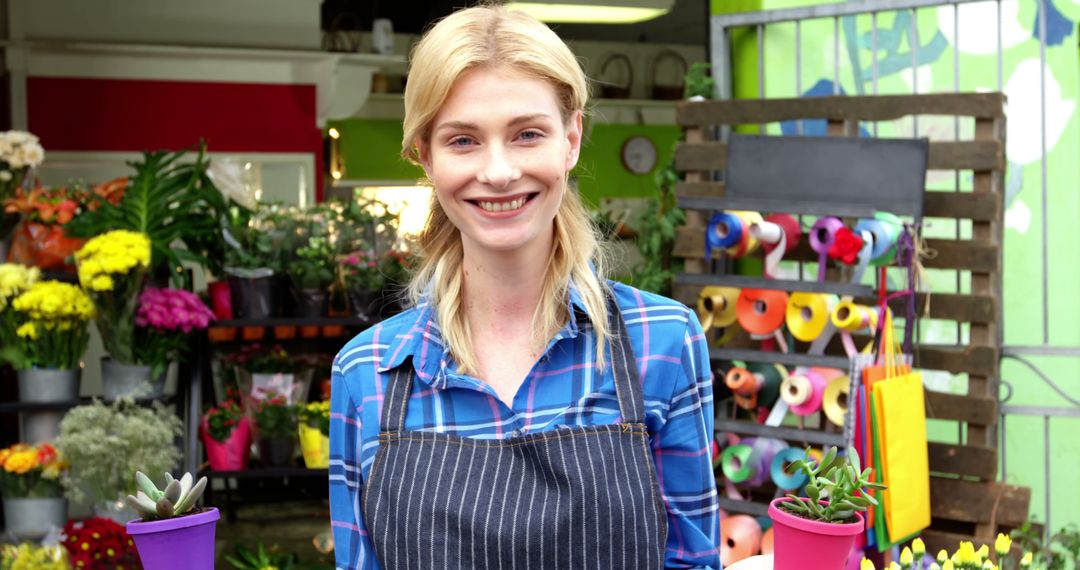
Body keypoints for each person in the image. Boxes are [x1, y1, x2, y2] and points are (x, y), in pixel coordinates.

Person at [329, 5, 720, 569]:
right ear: (425, 157)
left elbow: (692, 562)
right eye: (462, 140)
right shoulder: (368, 372)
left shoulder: (662, 343)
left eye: (527, 134)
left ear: (572, 138)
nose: (498, 171)